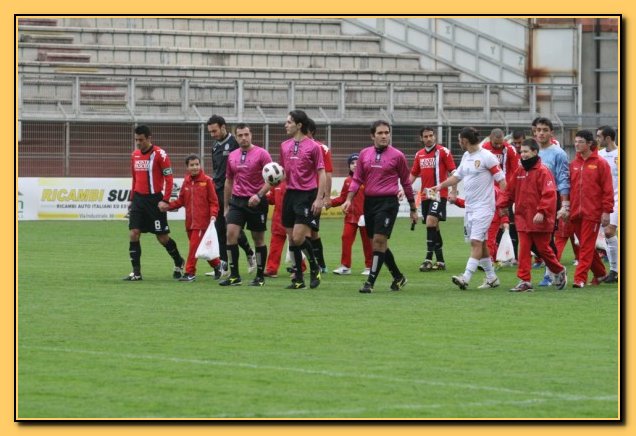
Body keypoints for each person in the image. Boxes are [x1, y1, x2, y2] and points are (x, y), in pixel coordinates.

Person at [343, 120, 417, 293]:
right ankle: (398, 277)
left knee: (378, 241)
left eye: (387, 133)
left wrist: (413, 208)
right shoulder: (364, 154)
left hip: (388, 203)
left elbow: (406, 183)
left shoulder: (397, 155)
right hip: (370, 203)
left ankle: (370, 283)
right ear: (372, 136)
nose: (384, 136)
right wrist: (348, 199)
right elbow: (357, 179)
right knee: (378, 244)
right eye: (380, 133)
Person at [432, 127, 506, 290]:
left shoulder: (487, 156)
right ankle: (492, 278)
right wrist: (440, 186)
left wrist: (504, 202)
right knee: (483, 243)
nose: (459, 143)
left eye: (459, 140)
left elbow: (501, 180)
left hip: (485, 207)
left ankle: (465, 277)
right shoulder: (466, 156)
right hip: (470, 207)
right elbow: (457, 176)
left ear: (464, 141)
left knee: (475, 241)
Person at [497, 139, 567, 292]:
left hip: (541, 219)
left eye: (526, 151)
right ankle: (524, 280)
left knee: (544, 250)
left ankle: (559, 270)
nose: (523, 154)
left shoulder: (543, 171)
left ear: (535, 152)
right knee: (524, 249)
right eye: (521, 152)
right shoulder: (519, 171)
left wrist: (542, 211)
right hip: (522, 218)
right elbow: (509, 191)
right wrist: (501, 205)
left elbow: (549, 195)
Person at [124, 125, 185, 281]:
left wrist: (165, 200)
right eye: (136, 140)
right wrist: (132, 199)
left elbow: (169, 178)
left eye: (141, 140)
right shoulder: (134, 155)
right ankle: (136, 272)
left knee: (162, 238)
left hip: (154, 201)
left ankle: (179, 261)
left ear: (149, 138)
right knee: (133, 233)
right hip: (138, 199)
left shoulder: (160, 154)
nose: (138, 143)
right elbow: (135, 178)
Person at [220, 123, 273, 287]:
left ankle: (259, 276)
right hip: (237, 201)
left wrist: (259, 195)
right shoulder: (232, 156)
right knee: (230, 234)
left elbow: (272, 178)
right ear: (236, 137)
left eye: (246, 134)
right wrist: (226, 206)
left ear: (251, 135)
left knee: (258, 239)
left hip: (257, 202)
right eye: (240, 135)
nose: (243, 138)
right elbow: (228, 180)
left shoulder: (262, 154)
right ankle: (235, 276)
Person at [280, 110, 327, 290]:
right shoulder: (284, 146)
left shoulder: (314, 147)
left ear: (299, 125)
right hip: (289, 194)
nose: (286, 125)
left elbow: (321, 173)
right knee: (292, 240)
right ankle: (298, 279)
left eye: (289, 122)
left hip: (307, 195)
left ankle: (314, 267)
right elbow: (282, 172)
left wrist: (319, 198)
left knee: (298, 237)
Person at [206, 115, 256, 278]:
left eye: (214, 130)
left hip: (234, 192)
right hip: (218, 191)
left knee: (233, 229)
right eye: (210, 132)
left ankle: (249, 253)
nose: (212, 134)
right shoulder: (214, 146)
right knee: (220, 228)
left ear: (223, 127)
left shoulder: (235, 142)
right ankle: (224, 265)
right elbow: (216, 170)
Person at [160, 154, 220, 282]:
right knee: (200, 248)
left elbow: (214, 202)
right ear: (187, 167)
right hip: (189, 223)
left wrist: (213, 216)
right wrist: (167, 206)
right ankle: (218, 265)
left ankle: (189, 273)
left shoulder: (207, 181)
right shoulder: (186, 181)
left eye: (197, 164)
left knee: (194, 248)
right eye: (192, 165)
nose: (195, 167)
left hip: (202, 223)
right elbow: (181, 200)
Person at [566, 130, 614, 288]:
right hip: (575, 212)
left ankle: (579, 278)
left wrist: (606, 211)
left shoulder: (601, 163)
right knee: (584, 246)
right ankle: (600, 273)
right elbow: (570, 188)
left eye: (580, 141)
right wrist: (566, 208)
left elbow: (607, 189)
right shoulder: (573, 164)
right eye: (576, 141)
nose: (577, 144)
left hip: (592, 213)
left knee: (586, 246)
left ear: (589, 144)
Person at [408, 126, 457, 272]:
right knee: (433, 226)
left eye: (431, 135)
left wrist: (453, 191)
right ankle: (440, 261)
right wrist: (403, 188)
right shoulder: (419, 155)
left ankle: (428, 259)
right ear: (421, 138)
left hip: (439, 194)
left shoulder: (443, 152)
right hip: (425, 195)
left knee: (430, 221)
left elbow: (454, 172)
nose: (429, 138)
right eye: (426, 136)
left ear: (434, 136)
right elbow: (413, 174)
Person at [534, 117, 570, 286]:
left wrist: (564, 204)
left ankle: (551, 273)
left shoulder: (558, 153)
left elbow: (563, 179)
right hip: (532, 200)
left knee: (546, 239)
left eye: (545, 130)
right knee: (529, 238)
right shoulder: (532, 151)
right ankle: (556, 269)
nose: (541, 133)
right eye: (538, 130)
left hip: (551, 199)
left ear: (551, 133)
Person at [327, 153, 372, 276]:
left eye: (357, 163)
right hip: (350, 217)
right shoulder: (347, 181)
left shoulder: (367, 179)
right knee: (345, 238)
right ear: (349, 166)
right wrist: (329, 203)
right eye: (352, 163)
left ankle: (369, 267)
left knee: (367, 242)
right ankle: (345, 266)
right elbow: (342, 198)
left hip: (365, 217)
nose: (355, 165)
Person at [482, 128, 519, 264]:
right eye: (495, 143)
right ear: (490, 139)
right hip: (489, 191)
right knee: (493, 223)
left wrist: (512, 190)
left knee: (509, 222)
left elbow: (515, 170)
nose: (498, 146)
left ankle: (512, 255)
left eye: (500, 143)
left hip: (505, 190)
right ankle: (496, 255)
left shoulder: (510, 150)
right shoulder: (484, 149)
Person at [306, 119, 333, 273]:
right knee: (312, 231)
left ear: (310, 132)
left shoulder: (321, 148)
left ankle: (315, 266)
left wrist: (326, 196)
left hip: (314, 195)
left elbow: (327, 173)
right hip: (300, 194)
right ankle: (320, 264)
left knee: (309, 231)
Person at [597, 125, 619, 283]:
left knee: (609, 231)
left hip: (618, 197)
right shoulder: (599, 155)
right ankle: (614, 270)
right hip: (604, 198)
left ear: (608, 138)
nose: (597, 139)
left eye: (599, 136)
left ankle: (614, 270)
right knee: (608, 232)